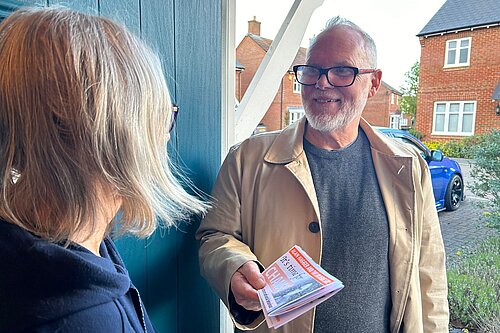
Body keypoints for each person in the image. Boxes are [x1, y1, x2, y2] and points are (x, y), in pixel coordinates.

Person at [197, 16, 449, 333]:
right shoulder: (246, 159)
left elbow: (429, 274)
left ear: (373, 83)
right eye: (312, 70)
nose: (322, 83)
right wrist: (232, 267)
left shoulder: (408, 167)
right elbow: (215, 237)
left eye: (342, 70)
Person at [0, 6, 207, 333]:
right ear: (112, 136)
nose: (165, 134)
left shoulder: (69, 246)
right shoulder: (81, 322)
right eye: (161, 116)